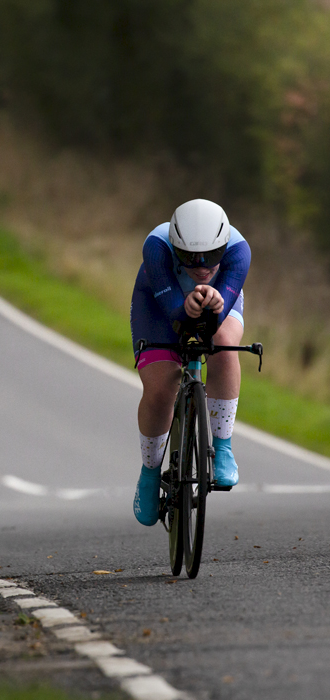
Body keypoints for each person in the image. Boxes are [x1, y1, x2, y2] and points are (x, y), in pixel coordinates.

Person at [130, 199, 251, 526]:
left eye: (211, 257)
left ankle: (222, 447)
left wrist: (213, 306)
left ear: (223, 247)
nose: (201, 266)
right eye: (190, 258)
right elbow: (175, 313)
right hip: (158, 304)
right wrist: (188, 308)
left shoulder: (239, 251)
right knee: (160, 388)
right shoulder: (156, 247)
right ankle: (150, 473)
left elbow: (211, 327)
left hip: (218, 301)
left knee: (224, 345)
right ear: (175, 245)